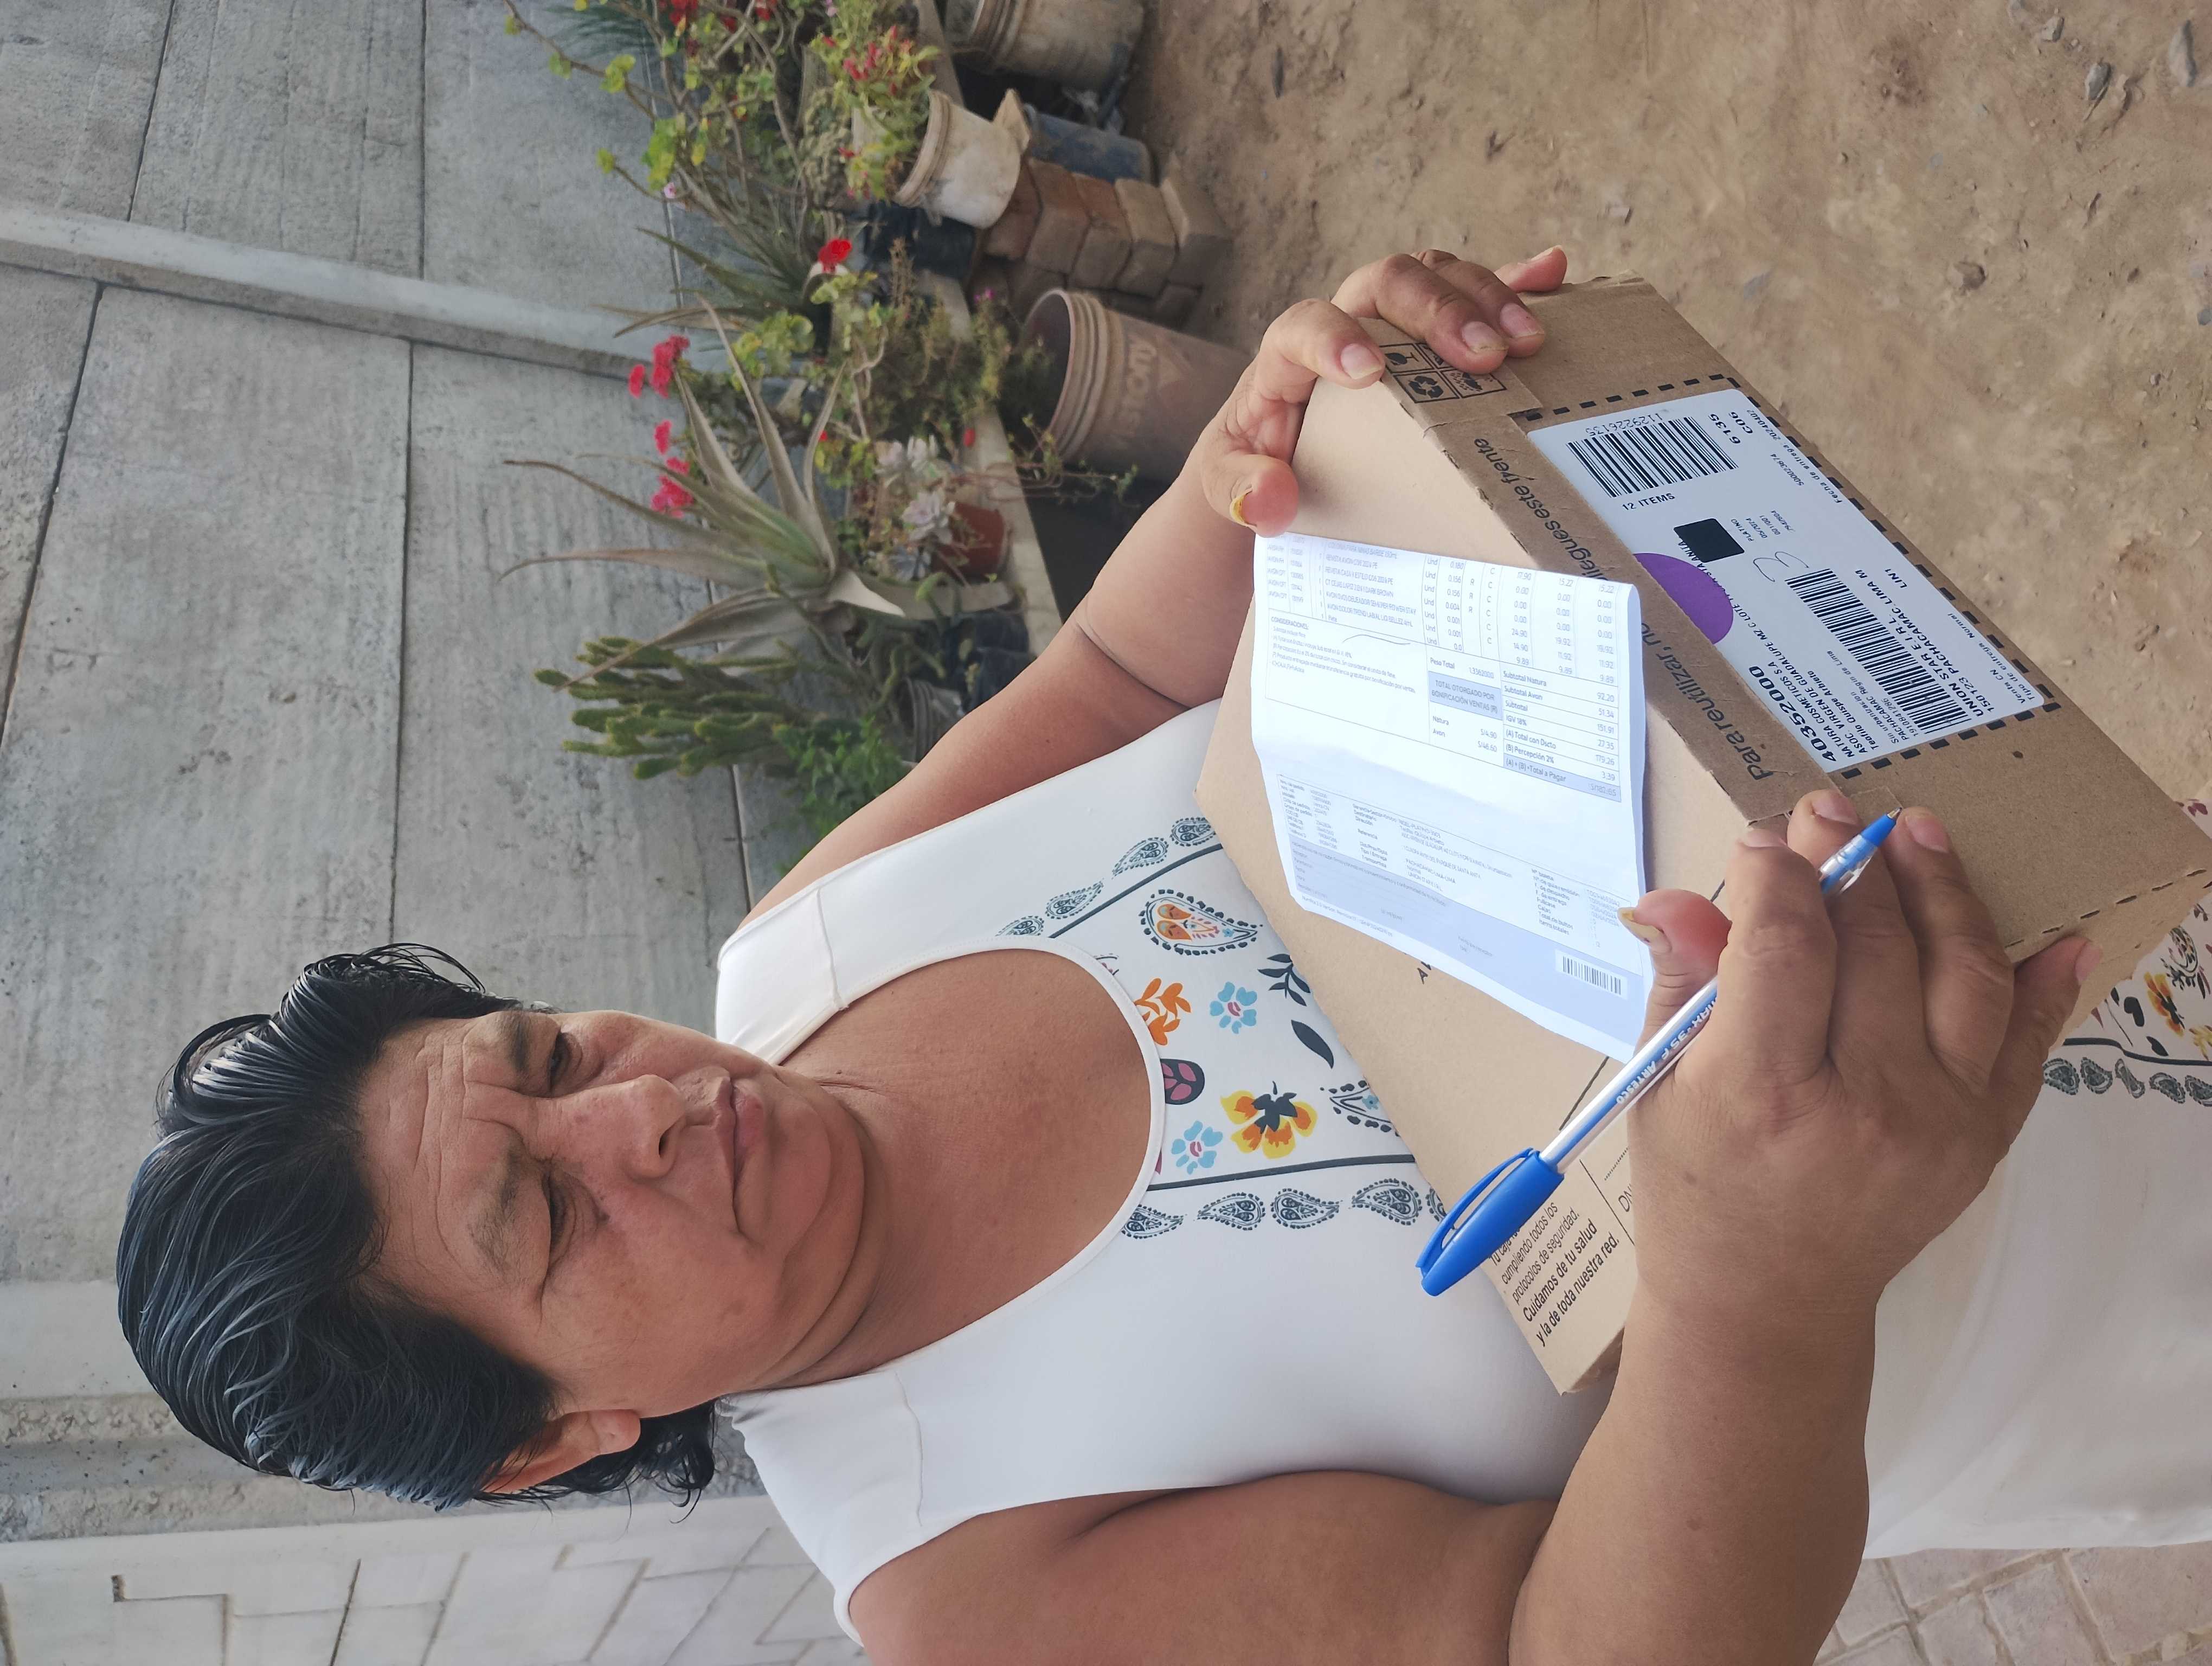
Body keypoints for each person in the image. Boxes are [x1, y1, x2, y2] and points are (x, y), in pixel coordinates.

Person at [117, 248, 2212, 1666]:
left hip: (2047, 892)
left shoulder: (817, 940)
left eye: (553, 1055)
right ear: (555, 1438)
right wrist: (1757, 1286)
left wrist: (1289, 424)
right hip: (2131, 1297)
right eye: (551, 1215)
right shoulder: (976, 1579)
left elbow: (1125, 672)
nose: (647, 1111)